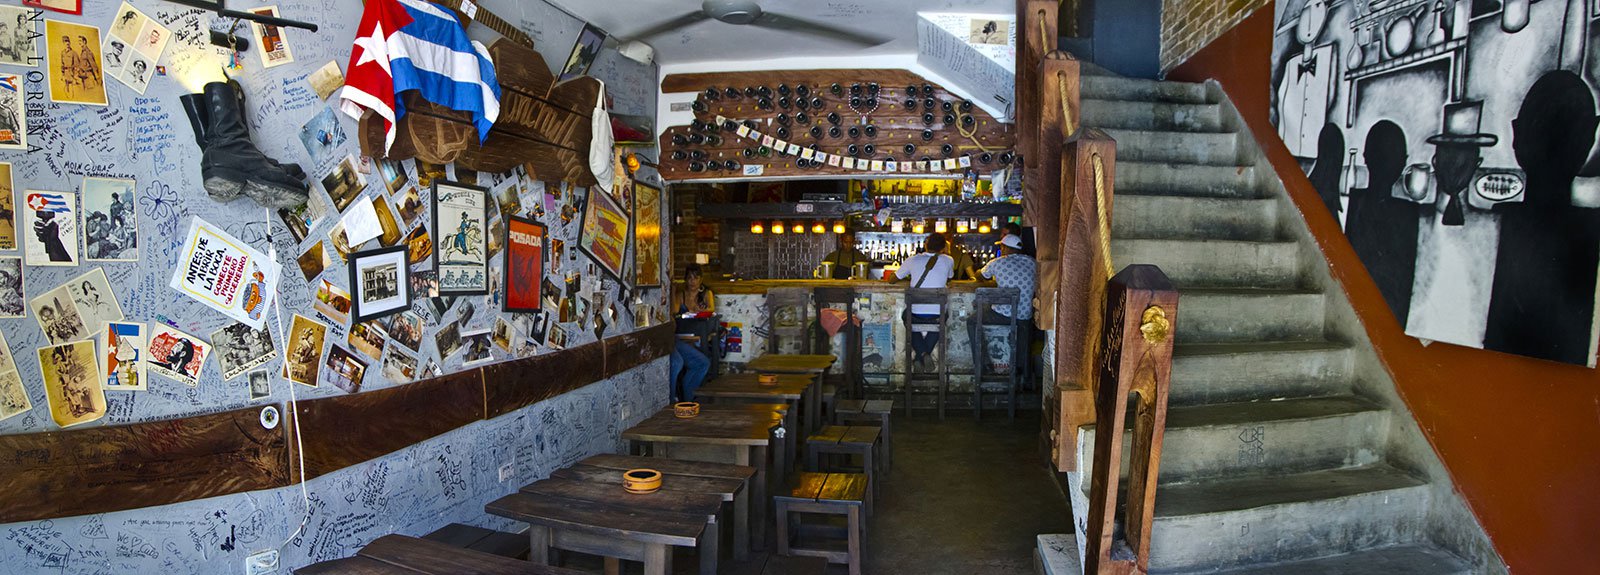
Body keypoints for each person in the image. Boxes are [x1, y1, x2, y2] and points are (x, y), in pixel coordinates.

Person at [980, 234, 1039, 385]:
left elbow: (980, 275)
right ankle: (1024, 377)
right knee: (1025, 333)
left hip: (1003, 315)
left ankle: (982, 364)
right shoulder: (1033, 262)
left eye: (1002, 246)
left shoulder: (997, 262)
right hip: (1025, 316)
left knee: (973, 321)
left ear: (1005, 248)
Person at [892, 234, 955, 366]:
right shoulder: (949, 260)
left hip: (915, 314)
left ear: (926, 244)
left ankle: (921, 355)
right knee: (942, 320)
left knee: (907, 318)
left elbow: (892, 280)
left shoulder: (912, 260)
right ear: (943, 247)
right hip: (937, 314)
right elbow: (949, 278)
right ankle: (923, 356)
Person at [669, 264, 713, 401]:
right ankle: (678, 399)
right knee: (678, 363)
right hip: (680, 333)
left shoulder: (706, 293)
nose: (692, 281)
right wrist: (673, 290)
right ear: (685, 279)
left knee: (703, 362)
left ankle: (687, 398)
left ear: (701, 279)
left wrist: (701, 310)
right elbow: (674, 311)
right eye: (689, 278)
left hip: (699, 332)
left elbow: (711, 309)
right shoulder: (680, 295)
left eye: (696, 278)